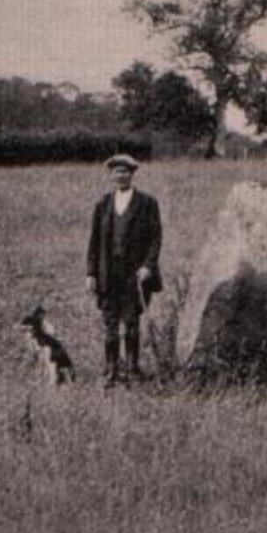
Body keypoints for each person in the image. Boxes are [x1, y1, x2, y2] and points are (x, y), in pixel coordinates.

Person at [86, 153, 163, 387]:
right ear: (111, 176)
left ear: (132, 174)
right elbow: (94, 241)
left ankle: (133, 368)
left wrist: (148, 266)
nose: (121, 176)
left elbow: (156, 238)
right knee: (109, 324)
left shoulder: (147, 203)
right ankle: (110, 370)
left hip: (135, 275)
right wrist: (91, 273)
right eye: (117, 172)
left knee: (131, 323)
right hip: (108, 274)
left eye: (125, 172)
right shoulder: (103, 204)